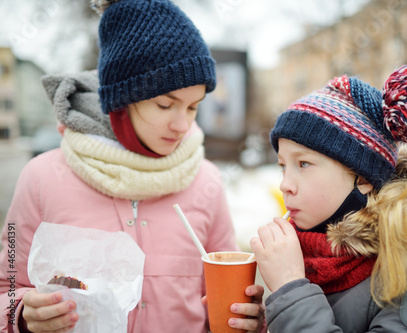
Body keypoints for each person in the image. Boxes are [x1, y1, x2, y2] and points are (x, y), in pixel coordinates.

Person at [0, 0, 264, 332]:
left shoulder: (206, 181)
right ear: (121, 100)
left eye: (193, 107)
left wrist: (247, 318)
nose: (182, 125)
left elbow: (225, 299)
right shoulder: (40, 179)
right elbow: (7, 288)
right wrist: (22, 315)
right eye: (165, 104)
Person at [250, 64, 407, 332]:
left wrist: (290, 289)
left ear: (363, 178)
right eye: (283, 166)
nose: (285, 185)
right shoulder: (310, 257)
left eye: (304, 164)